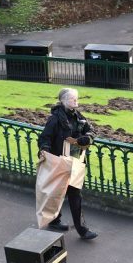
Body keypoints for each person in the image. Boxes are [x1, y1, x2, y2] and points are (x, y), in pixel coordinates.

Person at [38, 88, 98, 240]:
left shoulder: (78, 116)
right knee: (56, 192)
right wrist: (45, 151)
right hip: (59, 163)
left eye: (77, 99)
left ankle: (82, 230)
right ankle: (54, 220)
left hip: (74, 163)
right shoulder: (55, 119)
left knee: (74, 194)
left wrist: (87, 138)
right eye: (73, 99)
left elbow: (91, 130)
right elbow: (45, 138)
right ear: (63, 100)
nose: (76, 101)